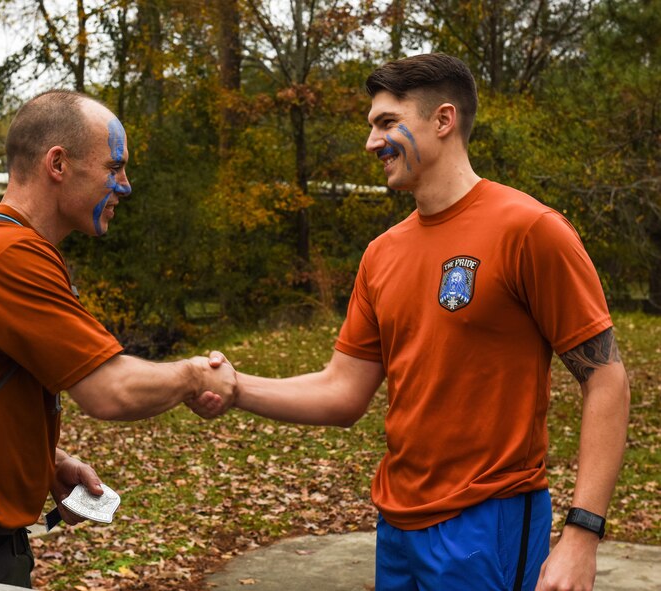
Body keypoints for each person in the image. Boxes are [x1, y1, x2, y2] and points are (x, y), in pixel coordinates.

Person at [199, 54, 630, 591]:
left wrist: (582, 534)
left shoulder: (530, 230)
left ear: (443, 120)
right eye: (371, 126)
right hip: (397, 524)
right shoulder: (382, 254)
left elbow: (605, 377)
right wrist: (235, 388)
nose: (371, 142)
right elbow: (341, 391)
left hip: (488, 519)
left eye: (385, 123)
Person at [0, 90, 236, 587]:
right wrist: (192, 375)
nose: (125, 186)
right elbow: (110, 390)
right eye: (113, 167)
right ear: (58, 163)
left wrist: (45, 461)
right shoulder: (10, 256)